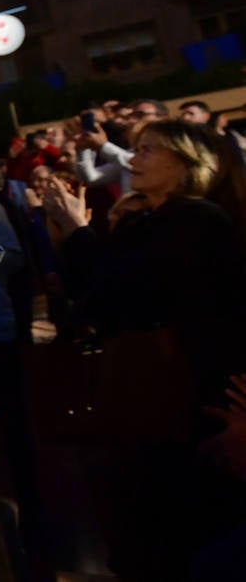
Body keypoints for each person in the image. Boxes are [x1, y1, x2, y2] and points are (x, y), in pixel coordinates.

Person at [42, 120, 246, 578]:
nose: (133, 160)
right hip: (156, 396)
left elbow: (120, 295)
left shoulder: (193, 219)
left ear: (187, 164)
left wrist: (77, 231)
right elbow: (97, 297)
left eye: (148, 150)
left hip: (184, 394)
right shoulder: (157, 220)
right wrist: (69, 239)